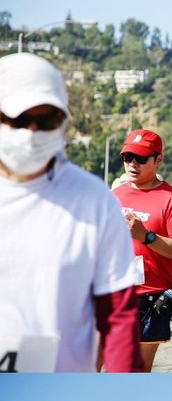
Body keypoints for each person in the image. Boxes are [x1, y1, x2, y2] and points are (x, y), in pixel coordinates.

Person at [0, 52, 142, 373]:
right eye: (19, 120)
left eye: (46, 121)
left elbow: (118, 314)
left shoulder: (94, 201)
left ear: (63, 121)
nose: (31, 132)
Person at [112, 129, 172, 372]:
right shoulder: (115, 195)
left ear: (158, 160)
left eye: (140, 158)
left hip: (149, 300)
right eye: (128, 157)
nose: (132, 164)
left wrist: (146, 236)